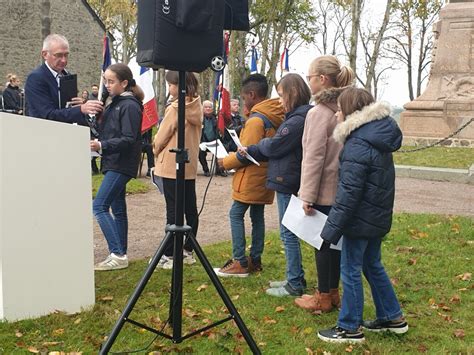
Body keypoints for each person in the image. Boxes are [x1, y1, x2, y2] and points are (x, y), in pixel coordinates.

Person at [318, 87, 407, 343]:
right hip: (375, 217)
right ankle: (392, 316)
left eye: (338, 110)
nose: (336, 115)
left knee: (351, 269)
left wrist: (330, 230)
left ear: (349, 111)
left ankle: (349, 327)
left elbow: (348, 194)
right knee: (372, 265)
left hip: (359, 221)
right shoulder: (376, 136)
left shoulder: (357, 143)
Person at [240, 73, 312, 295]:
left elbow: (275, 146)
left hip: (287, 180)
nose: (279, 101)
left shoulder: (297, 120)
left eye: (281, 96)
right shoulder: (296, 117)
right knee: (286, 231)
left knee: (287, 232)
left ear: (292, 94)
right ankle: (294, 277)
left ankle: (295, 283)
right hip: (286, 177)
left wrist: (259, 144)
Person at [294, 55, 355, 312]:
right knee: (335, 245)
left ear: (322, 79)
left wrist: (306, 194)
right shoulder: (346, 108)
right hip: (341, 190)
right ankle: (332, 292)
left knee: (321, 244)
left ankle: (323, 297)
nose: (308, 82)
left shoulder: (319, 112)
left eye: (309, 77)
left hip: (323, 191)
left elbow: (313, 155)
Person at [215, 73, 284, 277]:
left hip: (251, 176)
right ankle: (255, 258)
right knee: (257, 216)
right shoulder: (273, 115)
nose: (244, 101)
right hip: (264, 176)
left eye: (245, 98)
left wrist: (225, 162)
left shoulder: (256, 121)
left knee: (236, 214)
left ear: (252, 95)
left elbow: (247, 152)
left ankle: (240, 261)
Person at [91, 63, 144, 271]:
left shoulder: (129, 105)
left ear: (124, 83)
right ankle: (120, 252)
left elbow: (129, 138)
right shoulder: (115, 103)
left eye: (111, 81)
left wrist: (102, 145)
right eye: (105, 80)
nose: (107, 85)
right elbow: (108, 131)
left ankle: (117, 253)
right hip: (113, 161)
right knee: (118, 209)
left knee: (99, 206)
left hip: (121, 163)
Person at [153, 71, 202, 269]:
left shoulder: (175, 108)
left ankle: (170, 253)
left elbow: (162, 136)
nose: (169, 89)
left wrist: (155, 148)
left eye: (171, 85)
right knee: (190, 208)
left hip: (171, 164)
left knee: (173, 210)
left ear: (179, 86)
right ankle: (188, 250)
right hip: (188, 165)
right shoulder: (197, 106)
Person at [24, 34, 103, 123]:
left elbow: (68, 108)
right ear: (45, 54)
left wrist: (79, 105)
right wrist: (80, 110)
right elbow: (47, 115)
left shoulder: (67, 76)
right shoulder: (36, 78)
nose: (64, 60)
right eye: (58, 55)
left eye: (66, 55)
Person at [199, 100, 226, 176]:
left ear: (212, 108)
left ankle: (219, 169)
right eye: (206, 107)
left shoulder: (217, 119)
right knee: (200, 152)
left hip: (215, 141)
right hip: (202, 142)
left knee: (223, 148)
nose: (208, 108)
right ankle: (206, 170)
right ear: (202, 108)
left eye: (210, 107)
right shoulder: (199, 118)